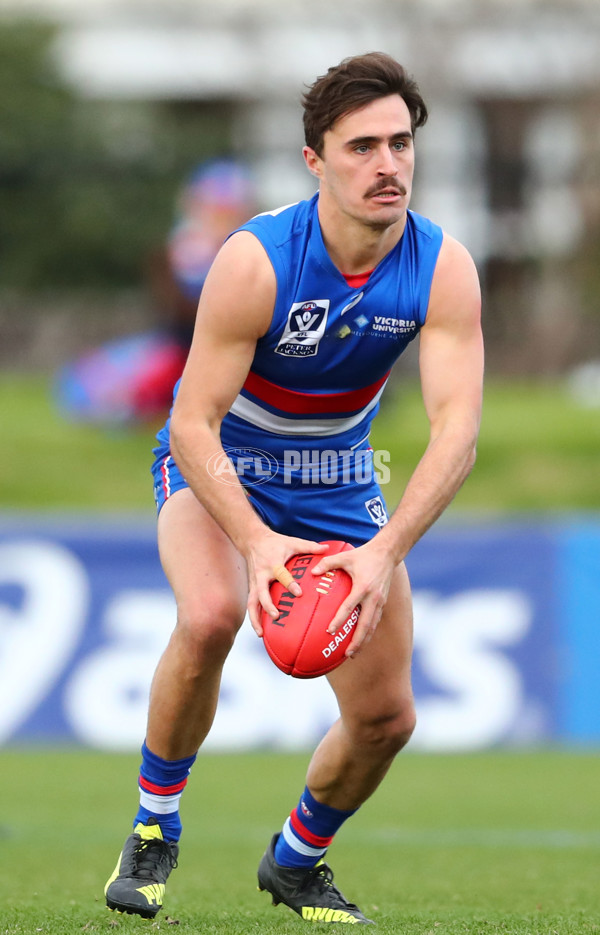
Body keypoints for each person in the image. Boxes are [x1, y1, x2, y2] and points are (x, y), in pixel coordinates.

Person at [104, 51, 483, 924]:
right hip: (226, 461)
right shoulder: (257, 259)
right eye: (361, 147)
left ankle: (296, 860)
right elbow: (192, 422)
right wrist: (256, 544)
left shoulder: (441, 266)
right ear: (316, 161)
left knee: (387, 718)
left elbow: (457, 431)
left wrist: (382, 552)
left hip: (340, 477)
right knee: (207, 616)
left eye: (399, 143)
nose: (387, 164)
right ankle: (155, 826)